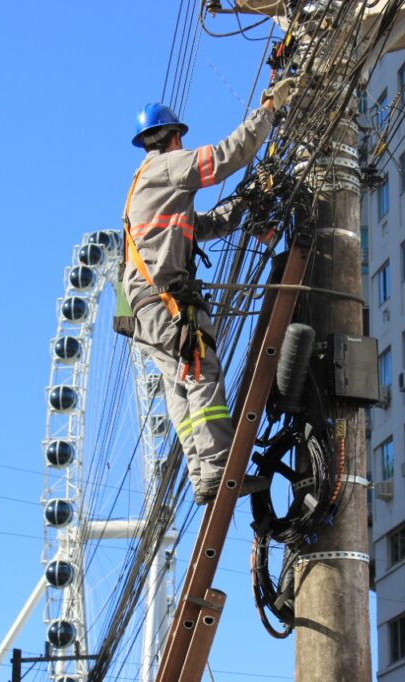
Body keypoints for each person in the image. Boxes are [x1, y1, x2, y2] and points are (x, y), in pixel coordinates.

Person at [123, 80, 294, 505]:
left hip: (144, 308)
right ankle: (217, 469)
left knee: (181, 386)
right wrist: (268, 111)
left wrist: (246, 203)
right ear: (175, 136)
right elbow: (221, 159)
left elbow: (203, 226)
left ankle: (203, 474)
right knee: (202, 372)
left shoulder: (148, 185)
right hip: (164, 300)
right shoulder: (167, 167)